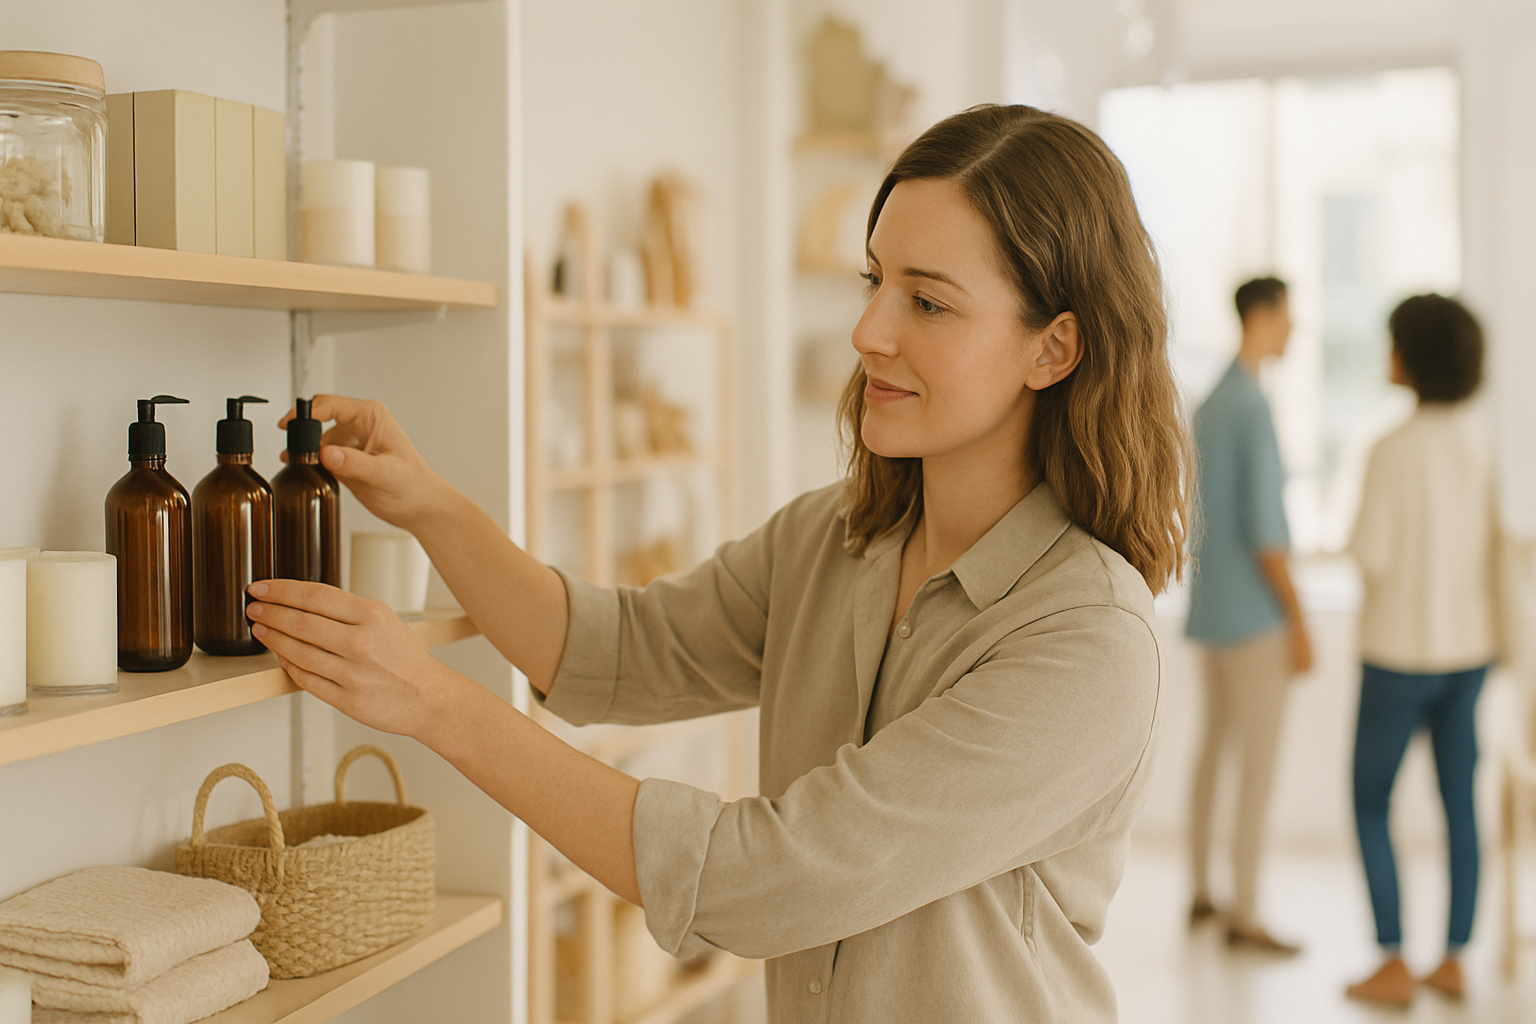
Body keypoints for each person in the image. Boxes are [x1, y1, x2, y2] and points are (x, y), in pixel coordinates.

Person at [243, 104, 1192, 1022]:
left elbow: (766, 879)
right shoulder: (832, 540)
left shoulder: (1087, 643)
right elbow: (614, 652)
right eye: (875, 281)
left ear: (1052, 348)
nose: (869, 331)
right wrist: (428, 505)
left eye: (928, 301)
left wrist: (435, 704)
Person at [1344, 294, 1497, 1007]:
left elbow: (1370, 554)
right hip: (1468, 652)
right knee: (1460, 804)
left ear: (1412, 356)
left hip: (1397, 653)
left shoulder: (1391, 448)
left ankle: (1393, 960)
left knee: (1371, 801)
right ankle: (1456, 958)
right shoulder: (1478, 442)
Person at [1185, 276, 1312, 953]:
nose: (1294, 328)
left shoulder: (1211, 402)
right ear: (1263, 316)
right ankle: (1246, 912)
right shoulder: (1252, 407)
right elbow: (1266, 530)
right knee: (1257, 767)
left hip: (1212, 610)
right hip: (1255, 617)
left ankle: (1202, 891)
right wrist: (1299, 619)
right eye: (1289, 315)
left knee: (1212, 753)